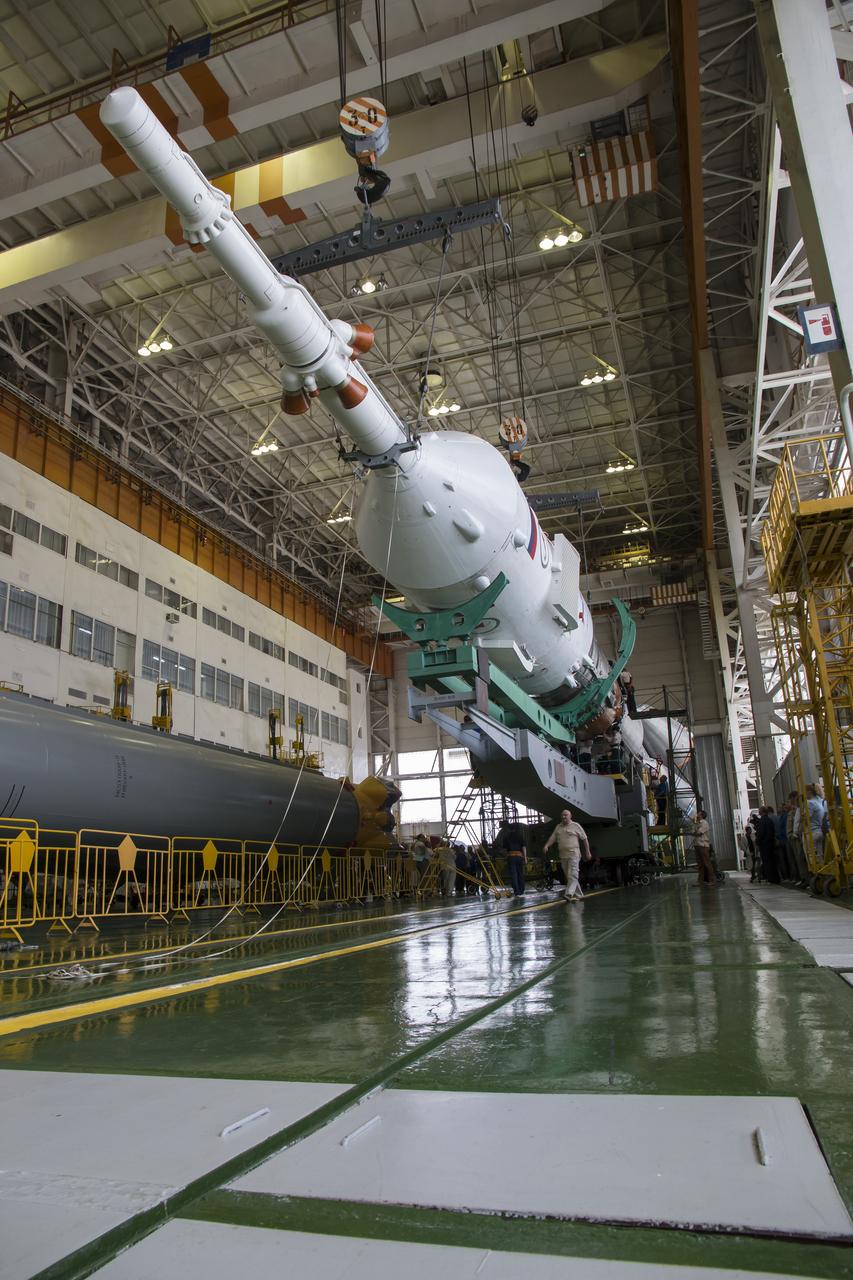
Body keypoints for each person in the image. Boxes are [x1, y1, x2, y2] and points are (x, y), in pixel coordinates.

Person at [543, 809, 591, 902]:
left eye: (566, 815)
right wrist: (547, 845)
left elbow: (584, 839)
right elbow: (553, 837)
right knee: (569, 876)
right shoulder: (558, 827)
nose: (564, 817)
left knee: (573, 874)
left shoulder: (576, 826)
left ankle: (568, 894)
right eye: (562, 815)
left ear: (570, 816)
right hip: (563, 855)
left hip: (574, 853)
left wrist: (587, 852)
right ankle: (579, 895)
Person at [498, 818, 527, 897]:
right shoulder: (520, 836)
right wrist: (525, 858)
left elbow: (504, 850)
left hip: (511, 857)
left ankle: (516, 892)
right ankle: (521, 890)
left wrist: (504, 856)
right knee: (520, 874)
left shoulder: (507, 837)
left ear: (510, 829)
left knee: (514, 875)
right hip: (519, 857)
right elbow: (524, 847)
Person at [806, 783, 828, 870]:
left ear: (809, 792)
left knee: (811, 855)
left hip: (811, 831)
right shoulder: (820, 801)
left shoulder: (810, 803)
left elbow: (808, 818)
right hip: (820, 831)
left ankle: (816, 873)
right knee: (820, 855)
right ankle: (823, 870)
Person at [692, 810, 715, 887]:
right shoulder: (697, 823)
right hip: (697, 844)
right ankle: (700, 881)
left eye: (698, 813)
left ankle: (711, 880)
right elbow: (693, 832)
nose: (697, 814)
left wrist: (695, 831)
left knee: (706, 863)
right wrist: (694, 823)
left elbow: (698, 832)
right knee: (700, 864)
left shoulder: (704, 823)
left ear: (701, 815)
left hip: (703, 845)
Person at [756, 807, 779, 883]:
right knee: (772, 861)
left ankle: (770, 878)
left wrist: (758, 841)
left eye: (759, 811)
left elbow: (761, 833)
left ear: (762, 812)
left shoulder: (762, 821)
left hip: (764, 844)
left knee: (766, 862)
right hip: (771, 843)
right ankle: (775, 878)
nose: (758, 812)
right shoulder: (769, 820)